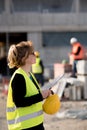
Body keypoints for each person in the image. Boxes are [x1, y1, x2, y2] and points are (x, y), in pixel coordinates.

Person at [6, 41, 52, 130]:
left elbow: (32, 95)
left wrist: (45, 94)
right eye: (32, 53)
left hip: (36, 123)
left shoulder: (29, 75)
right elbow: (19, 102)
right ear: (24, 58)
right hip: (24, 126)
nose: (35, 55)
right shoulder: (19, 77)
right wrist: (40, 96)